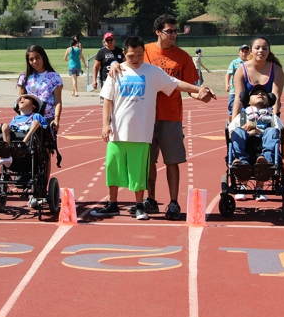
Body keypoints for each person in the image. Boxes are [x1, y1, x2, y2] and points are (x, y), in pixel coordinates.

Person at [90, 36, 215, 220]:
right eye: (131, 55)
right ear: (124, 54)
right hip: (117, 132)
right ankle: (112, 204)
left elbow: (175, 84)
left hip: (142, 133)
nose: (136, 59)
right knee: (113, 168)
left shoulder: (153, 72)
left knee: (139, 171)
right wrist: (105, 124)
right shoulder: (116, 72)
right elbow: (108, 99)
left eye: (139, 55)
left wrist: (199, 89)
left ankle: (140, 206)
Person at [228, 84, 284, 202]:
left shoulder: (272, 117)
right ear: (248, 100)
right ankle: (241, 176)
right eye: (256, 93)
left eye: (263, 94)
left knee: (272, 131)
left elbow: (279, 134)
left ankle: (265, 165)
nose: (260, 94)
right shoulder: (241, 116)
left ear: (269, 100)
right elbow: (230, 133)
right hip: (246, 147)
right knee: (237, 131)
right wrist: (245, 128)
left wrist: (258, 130)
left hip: (263, 148)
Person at [232, 36, 284, 120]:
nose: (261, 50)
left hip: (267, 113)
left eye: (264, 48)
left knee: (271, 132)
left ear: (268, 51)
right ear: (251, 51)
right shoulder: (241, 70)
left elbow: (276, 97)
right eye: (257, 48)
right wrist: (233, 123)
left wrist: (274, 120)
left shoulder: (276, 69)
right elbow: (238, 99)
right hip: (246, 113)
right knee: (241, 131)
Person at [17, 45, 63, 130]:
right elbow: (20, 100)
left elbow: (58, 101)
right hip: (28, 119)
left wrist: (56, 119)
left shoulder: (54, 77)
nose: (35, 61)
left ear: (43, 57)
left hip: (47, 120)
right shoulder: (24, 77)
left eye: (37, 57)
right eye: (31, 59)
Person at [0, 94, 49, 168]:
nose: (22, 99)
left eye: (26, 98)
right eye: (20, 99)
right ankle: (7, 154)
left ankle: (22, 144)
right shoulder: (14, 119)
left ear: (34, 106)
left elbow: (47, 130)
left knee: (35, 122)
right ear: (18, 109)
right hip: (13, 144)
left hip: (30, 144)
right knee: (4, 126)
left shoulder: (36, 116)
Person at [92, 32, 124, 106]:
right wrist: (94, 80)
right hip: (105, 79)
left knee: (117, 101)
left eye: (111, 40)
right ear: (104, 41)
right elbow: (96, 67)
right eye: (107, 40)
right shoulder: (101, 52)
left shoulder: (120, 51)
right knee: (106, 100)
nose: (109, 42)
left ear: (114, 40)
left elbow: (125, 64)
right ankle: (107, 116)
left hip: (119, 79)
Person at [225, 44, 251, 122]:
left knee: (246, 108)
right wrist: (227, 84)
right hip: (234, 90)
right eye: (242, 51)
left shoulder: (251, 63)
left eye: (247, 51)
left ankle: (244, 123)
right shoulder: (235, 62)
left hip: (247, 90)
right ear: (239, 53)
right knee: (231, 107)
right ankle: (231, 122)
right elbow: (228, 74)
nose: (244, 53)